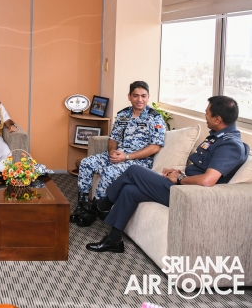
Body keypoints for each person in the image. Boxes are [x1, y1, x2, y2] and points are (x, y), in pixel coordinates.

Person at [86, 96, 248, 253]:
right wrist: (180, 172)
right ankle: (114, 240)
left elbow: (208, 180)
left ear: (218, 119)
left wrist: (180, 178)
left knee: (134, 171)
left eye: (207, 113)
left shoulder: (230, 145)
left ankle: (102, 205)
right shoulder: (218, 137)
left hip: (189, 195)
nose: (205, 116)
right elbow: (203, 169)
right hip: (184, 186)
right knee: (130, 190)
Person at [72, 81, 166, 227]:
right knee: (86, 163)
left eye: (143, 96)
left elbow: (155, 147)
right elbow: (113, 138)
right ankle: (82, 206)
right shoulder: (123, 115)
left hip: (138, 162)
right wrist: (112, 152)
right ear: (129, 97)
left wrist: (127, 157)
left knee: (109, 172)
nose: (139, 99)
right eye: (136, 95)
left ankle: (94, 210)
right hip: (118, 155)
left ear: (148, 97)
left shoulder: (155, 118)